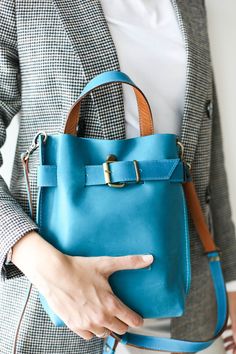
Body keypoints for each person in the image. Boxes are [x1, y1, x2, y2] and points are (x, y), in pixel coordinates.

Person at [0, 1, 236, 353]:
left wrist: (230, 280)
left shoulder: (190, 5)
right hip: (58, 304)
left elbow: (206, 142)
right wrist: (48, 268)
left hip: (185, 302)